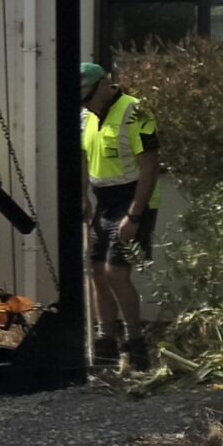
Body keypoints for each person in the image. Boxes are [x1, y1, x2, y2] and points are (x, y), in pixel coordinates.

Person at [79, 60, 161, 371]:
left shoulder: (134, 111)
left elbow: (150, 165)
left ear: (104, 85)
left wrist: (135, 215)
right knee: (96, 271)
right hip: (103, 201)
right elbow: (85, 158)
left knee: (116, 272)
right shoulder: (87, 116)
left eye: (88, 97)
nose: (85, 105)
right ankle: (106, 341)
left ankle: (136, 342)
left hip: (133, 200)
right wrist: (83, 197)